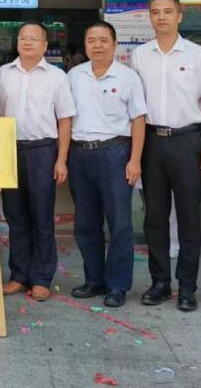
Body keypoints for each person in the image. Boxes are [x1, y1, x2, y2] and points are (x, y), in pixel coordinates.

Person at [130, 0, 201, 312]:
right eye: (156, 12)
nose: (162, 17)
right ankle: (160, 282)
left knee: (188, 216)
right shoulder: (140, 55)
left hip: (188, 141)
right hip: (152, 141)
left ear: (179, 16)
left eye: (168, 11)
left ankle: (187, 286)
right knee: (154, 216)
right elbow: (135, 106)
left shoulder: (196, 54)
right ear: (150, 17)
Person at [67, 21, 147, 308]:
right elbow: (64, 117)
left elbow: (139, 120)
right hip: (80, 154)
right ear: (85, 45)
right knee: (86, 223)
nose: (97, 45)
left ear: (114, 45)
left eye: (103, 40)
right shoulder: (74, 76)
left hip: (115, 153)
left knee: (120, 223)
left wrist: (135, 160)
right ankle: (94, 280)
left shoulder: (128, 77)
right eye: (92, 40)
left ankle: (117, 285)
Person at [0, 22, 76, 302]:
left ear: (45, 45)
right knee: (15, 216)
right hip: (9, 150)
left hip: (43, 150)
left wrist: (61, 159)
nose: (28, 42)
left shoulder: (57, 77)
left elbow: (65, 120)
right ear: (17, 42)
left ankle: (42, 277)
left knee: (42, 216)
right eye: (23, 38)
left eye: (34, 38)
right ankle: (19, 275)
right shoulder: (2, 74)